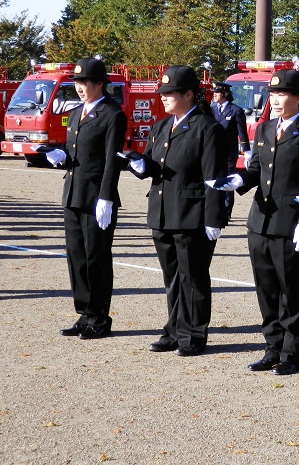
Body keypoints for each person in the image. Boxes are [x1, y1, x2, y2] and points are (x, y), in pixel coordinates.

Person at [216, 69, 299, 375]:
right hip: (260, 223)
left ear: (298, 98)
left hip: (290, 224)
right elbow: (255, 169)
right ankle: (272, 347)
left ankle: (292, 351)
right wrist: (239, 179)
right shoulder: (264, 130)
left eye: (282, 94)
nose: (275, 100)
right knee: (266, 290)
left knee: (291, 291)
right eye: (273, 94)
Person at [127, 65, 228, 356]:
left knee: (193, 277)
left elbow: (213, 177)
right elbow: (151, 164)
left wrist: (213, 217)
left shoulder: (207, 128)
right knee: (171, 277)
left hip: (191, 214)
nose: (163, 98)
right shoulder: (161, 126)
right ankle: (174, 329)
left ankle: (194, 333)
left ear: (188, 94)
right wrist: (139, 165)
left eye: (170, 93)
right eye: (163, 93)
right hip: (161, 211)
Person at [47, 57, 128, 340]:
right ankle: (84, 313)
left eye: (85, 83)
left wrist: (106, 196)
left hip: (96, 198)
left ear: (99, 84)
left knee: (97, 259)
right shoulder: (77, 111)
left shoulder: (112, 114)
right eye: (77, 83)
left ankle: (100, 318)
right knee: (77, 257)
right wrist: (62, 157)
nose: (80, 88)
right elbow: (77, 153)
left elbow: (111, 160)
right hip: (73, 193)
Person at [210, 82, 251, 220]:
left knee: (227, 181)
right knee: (212, 180)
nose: (214, 95)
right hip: (213, 151)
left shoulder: (235, 110)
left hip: (228, 152)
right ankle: (214, 208)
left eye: (217, 92)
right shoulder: (211, 110)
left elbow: (242, 133)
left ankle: (226, 212)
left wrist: (246, 151)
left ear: (225, 94)